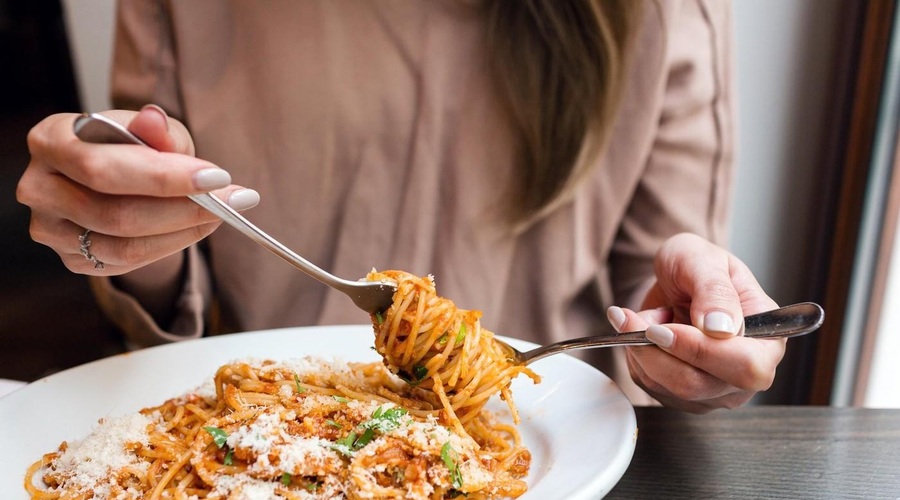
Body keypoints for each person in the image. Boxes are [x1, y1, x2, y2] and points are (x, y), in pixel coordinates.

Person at [17, 0, 785, 413]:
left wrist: (689, 348)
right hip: (267, 427)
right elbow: (165, 294)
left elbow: (657, 299)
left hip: (543, 443)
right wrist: (127, 228)